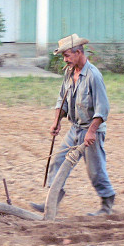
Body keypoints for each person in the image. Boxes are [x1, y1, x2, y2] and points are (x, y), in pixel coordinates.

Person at [32, 33, 116, 216]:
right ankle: (51, 201)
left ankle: (107, 204)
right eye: (64, 56)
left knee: (95, 170)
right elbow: (62, 98)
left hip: (91, 131)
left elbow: (103, 110)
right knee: (58, 161)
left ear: (78, 53)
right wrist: (57, 121)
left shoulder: (93, 76)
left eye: (67, 55)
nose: (65, 59)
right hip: (75, 128)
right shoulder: (69, 73)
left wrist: (92, 132)